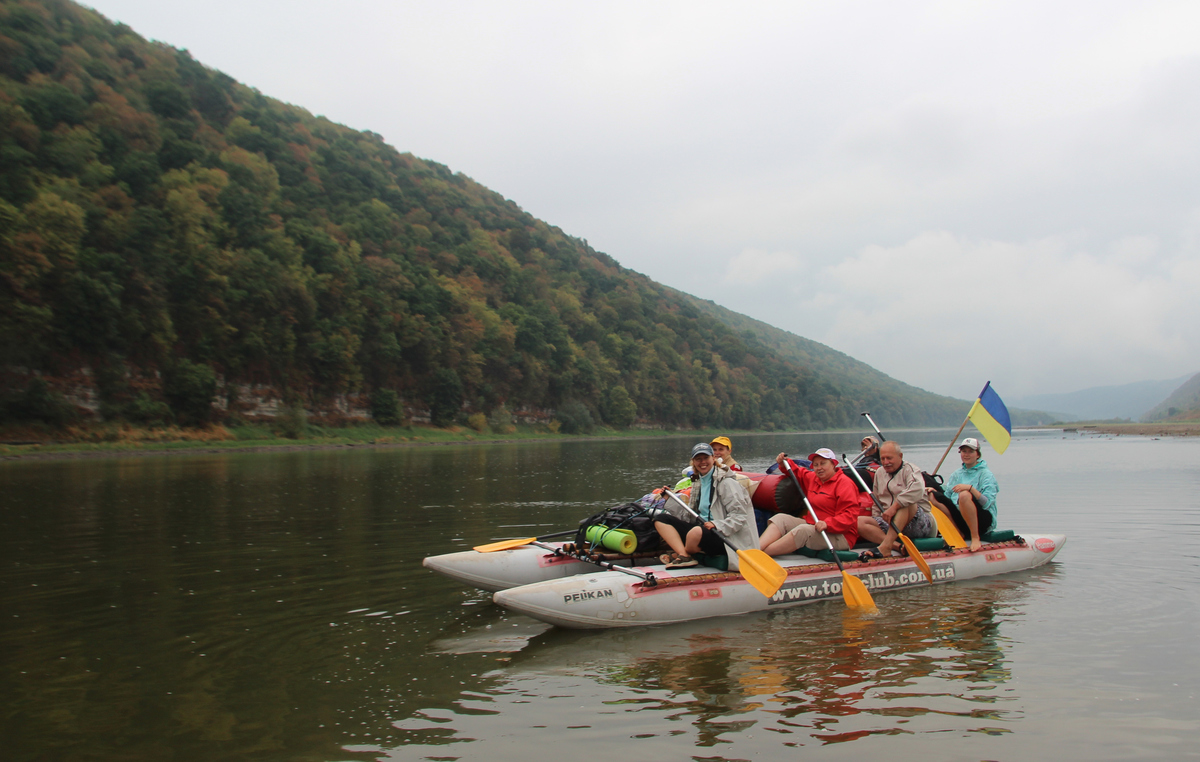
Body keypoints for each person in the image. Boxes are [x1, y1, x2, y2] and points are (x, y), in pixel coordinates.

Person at [655, 442, 758, 569]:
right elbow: (689, 517)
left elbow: (740, 516)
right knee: (661, 519)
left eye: (706, 458)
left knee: (695, 532)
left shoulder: (727, 483)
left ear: (713, 459)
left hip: (724, 536)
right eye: (698, 459)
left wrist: (717, 524)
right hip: (701, 532)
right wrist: (669, 499)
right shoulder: (698, 482)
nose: (702, 462)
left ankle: (682, 554)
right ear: (693, 461)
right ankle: (684, 555)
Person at [759, 448, 860, 556]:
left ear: (833, 464)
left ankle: (761, 555)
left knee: (803, 531)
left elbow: (850, 515)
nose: (819, 468)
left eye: (823, 463)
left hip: (840, 536)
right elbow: (797, 472)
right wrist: (785, 463)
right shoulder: (813, 478)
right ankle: (755, 550)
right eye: (816, 465)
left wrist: (828, 524)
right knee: (780, 518)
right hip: (814, 525)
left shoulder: (845, 484)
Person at [856, 441, 937, 558]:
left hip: (917, 522)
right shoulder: (879, 473)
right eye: (882, 459)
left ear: (900, 456)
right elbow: (876, 501)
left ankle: (885, 546)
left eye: (889, 458)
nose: (885, 462)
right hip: (890, 522)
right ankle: (896, 546)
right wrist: (877, 518)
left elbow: (917, 490)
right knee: (858, 522)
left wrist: (894, 507)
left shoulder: (911, 470)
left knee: (906, 503)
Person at [932, 437, 999, 551]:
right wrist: (932, 489)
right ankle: (957, 532)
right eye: (964, 451)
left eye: (971, 451)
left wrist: (970, 489)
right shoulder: (956, 475)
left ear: (978, 455)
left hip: (981, 521)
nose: (966, 455)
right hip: (961, 519)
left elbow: (987, 503)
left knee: (964, 495)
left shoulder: (986, 475)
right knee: (932, 496)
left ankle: (975, 537)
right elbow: (947, 499)